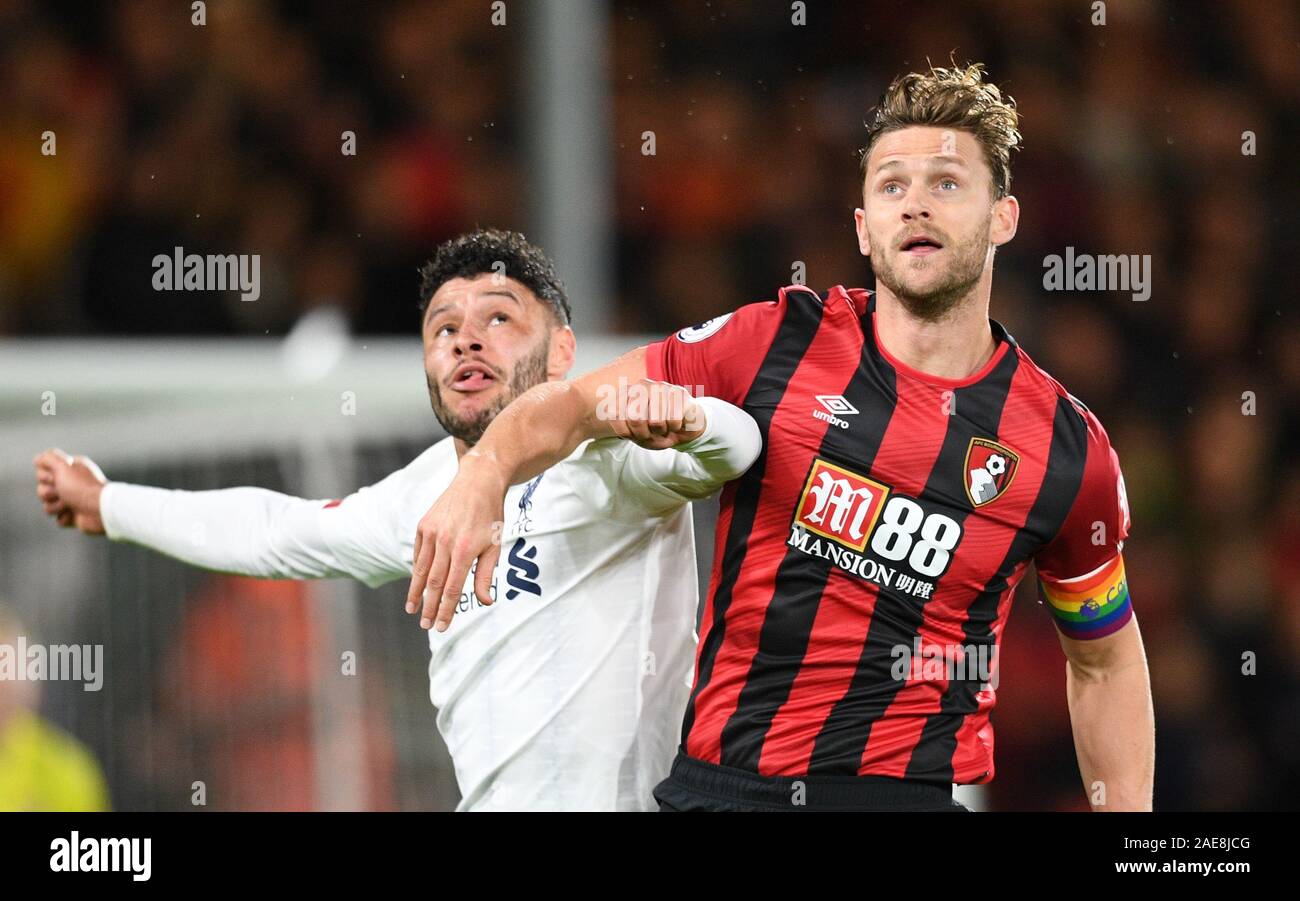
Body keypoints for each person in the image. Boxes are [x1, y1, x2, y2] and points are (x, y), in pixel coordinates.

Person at [406, 64, 1154, 812]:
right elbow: (569, 406)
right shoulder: (772, 343)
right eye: (891, 186)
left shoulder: (1064, 449)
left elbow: (1105, 664)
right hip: (726, 791)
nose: (916, 204)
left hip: (898, 798)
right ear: (863, 226)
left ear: (1003, 217)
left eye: (947, 183)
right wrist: (482, 478)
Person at [33, 228, 762, 811]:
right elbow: (274, 530)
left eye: (499, 319)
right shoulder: (422, 494)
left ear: (562, 351)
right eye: (444, 327)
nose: (466, 340)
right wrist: (110, 504)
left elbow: (739, 446)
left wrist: (681, 415)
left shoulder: (611, 463)